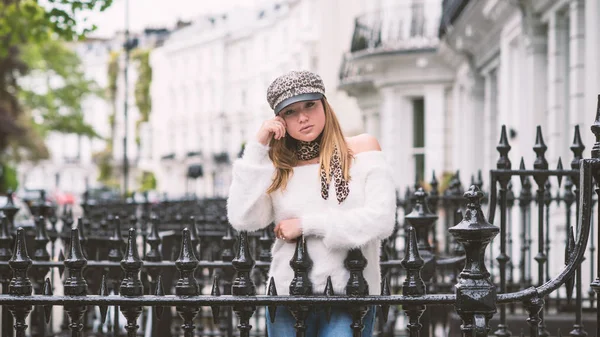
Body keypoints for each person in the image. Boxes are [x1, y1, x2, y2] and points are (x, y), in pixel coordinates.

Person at [227, 70, 396, 336]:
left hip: (349, 294)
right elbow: (243, 218)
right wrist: (257, 148)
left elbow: (382, 219)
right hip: (287, 294)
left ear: (324, 105)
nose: (303, 117)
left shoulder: (362, 149)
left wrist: (306, 225)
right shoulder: (277, 164)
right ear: (279, 120)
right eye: (290, 112)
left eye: (310, 105)